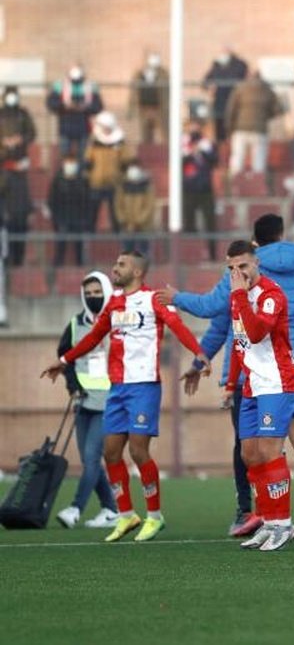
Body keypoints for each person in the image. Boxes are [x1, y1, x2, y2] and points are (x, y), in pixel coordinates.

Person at [159, 214, 294, 538]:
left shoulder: (244, 277)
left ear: (255, 246)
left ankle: (264, 515)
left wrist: (177, 298)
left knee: (260, 447)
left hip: (273, 368)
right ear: (281, 233)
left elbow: (214, 311)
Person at [41, 251, 210, 543]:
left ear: (137, 272)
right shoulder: (114, 304)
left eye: (121, 264)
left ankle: (154, 516)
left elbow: (177, 326)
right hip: (117, 388)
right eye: (115, 262)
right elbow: (94, 336)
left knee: (138, 452)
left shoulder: (152, 300)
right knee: (111, 453)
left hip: (144, 386)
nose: (114, 268)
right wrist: (65, 360)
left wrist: (198, 353)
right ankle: (126, 515)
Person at [222, 240, 294, 552]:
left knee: (269, 451)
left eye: (242, 266)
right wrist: (231, 384)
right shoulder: (237, 298)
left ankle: (283, 524)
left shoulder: (271, 295)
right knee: (249, 454)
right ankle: (268, 521)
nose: (237, 273)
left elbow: (256, 333)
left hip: (277, 382)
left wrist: (240, 295)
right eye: (231, 268)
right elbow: (240, 343)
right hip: (253, 384)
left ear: (256, 263)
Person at [54, 272, 120, 529]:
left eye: (97, 292)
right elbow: (65, 357)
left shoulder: (116, 321)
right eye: (89, 294)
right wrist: (73, 387)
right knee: (89, 461)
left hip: (109, 402)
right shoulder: (75, 324)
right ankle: (111, 509)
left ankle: (75, 508)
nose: (93, 297)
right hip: (83, 402)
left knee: (92, 458)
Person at [0, 85, 36, 267]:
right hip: (3, 171)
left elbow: (32, 133)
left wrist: (20, 140)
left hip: (19, 172)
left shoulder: (23, 114)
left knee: (19, 217)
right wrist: (4, 144)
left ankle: (17, 260)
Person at [226, 70, 282, 176]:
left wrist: (229, 128)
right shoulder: (267, 90)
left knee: (238, 157)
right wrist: (266, 116)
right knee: (259, 160)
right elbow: (278, 110)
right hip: (260, 129)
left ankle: (234, 184)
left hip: (240, 128)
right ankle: (257, 185)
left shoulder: (240, 88)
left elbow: (231, 109)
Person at [84, 111, 131, 233]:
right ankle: (90, 232)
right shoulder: (94, 143)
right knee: (92, 210)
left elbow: (125, 161)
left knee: (115, 211)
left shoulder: (120, 142)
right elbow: (88, 161)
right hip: (96, 182)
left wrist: (122, 177)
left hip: (114, 182)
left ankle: (116, 233)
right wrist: (88, 176)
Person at [47, 64, 103, 157]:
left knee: (84, 155)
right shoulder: (60, 86)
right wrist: (64, 106)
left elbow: (98, 106)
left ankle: (81, 170)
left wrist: (85, 108)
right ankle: (67, 170)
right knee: (65, 155)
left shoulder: (90, 87)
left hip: (83, 127)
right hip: (66, 126)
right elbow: (51, 104)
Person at [181, 119, 218, 260]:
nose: (194, 127)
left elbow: (214, 160)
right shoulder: (183, 144)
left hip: (205, 188)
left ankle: (212, 254)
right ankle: (190, 256)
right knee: (188, 223)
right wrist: (190, 153)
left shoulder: (206, 144)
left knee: (210, 223)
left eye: (197, 125)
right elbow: (179, 163)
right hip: (188, 188)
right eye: (191, 125)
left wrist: (202, 151)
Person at [48, 154, 92, 266]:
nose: (70, 165)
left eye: (73, 163)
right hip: (62, 217)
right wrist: (55, 216)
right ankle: (58, 266)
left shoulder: (82, 180)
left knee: (79, 244)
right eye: (68, 162)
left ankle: (80, 265)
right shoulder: (57, 179)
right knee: (61, 243)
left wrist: (85, 216)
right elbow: (52, 199)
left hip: (78, 217)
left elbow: (87, 199)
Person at [202, 48, 248, 141]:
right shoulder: (217, 65)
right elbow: (205, 82)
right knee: (220, 130)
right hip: (220, 103)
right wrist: (210, 88)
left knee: (233, 129)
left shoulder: (239, 66)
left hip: (234, 102)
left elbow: (241, 79)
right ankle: (221, 149)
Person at [115, 160, 156, 253]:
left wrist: (138, 222)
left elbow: (149, 206)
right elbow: (118, 205)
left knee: (143, 252)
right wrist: (124, 221)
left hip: (143, 226)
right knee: (127, 253)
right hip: (127, 227)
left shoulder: (147, 186)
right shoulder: (122, 186)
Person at [129, 53, 169, 145]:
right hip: (144, 107)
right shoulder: (140, 74)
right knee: (145, 132)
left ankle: (165, 150)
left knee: (163, 130)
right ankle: (146, 150)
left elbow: (165, 92)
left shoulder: (163, 74)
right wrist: (132, 108)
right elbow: (134, 92)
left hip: (158, 108)